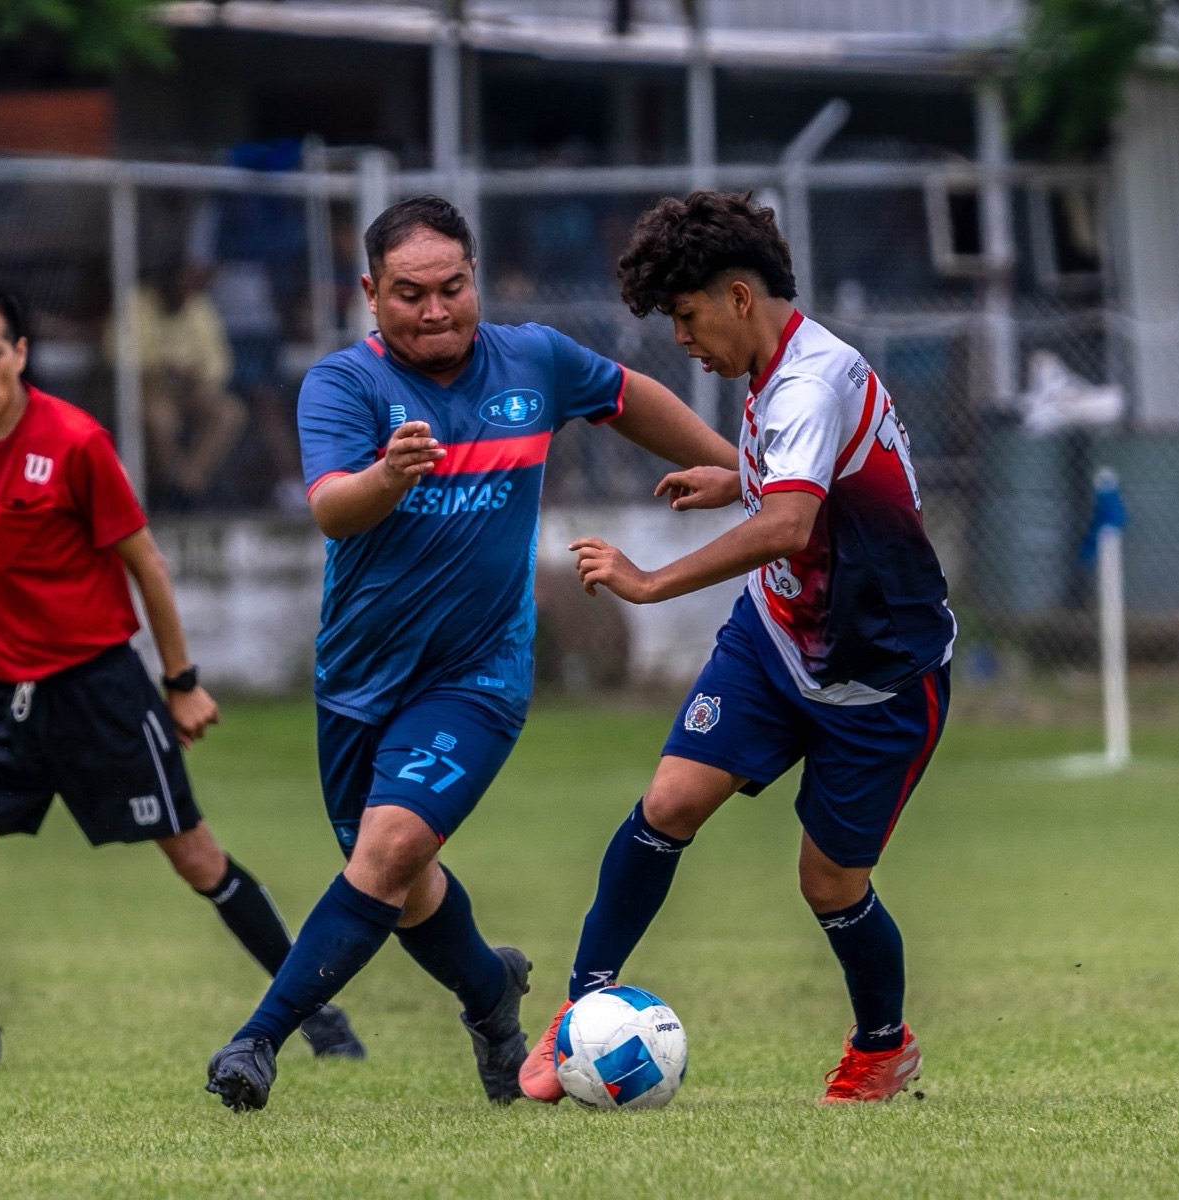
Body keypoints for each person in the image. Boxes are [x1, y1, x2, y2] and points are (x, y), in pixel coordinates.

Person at [202, 195, 736, 1112]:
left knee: (389, 849)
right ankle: (492, 996)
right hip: (359, 681)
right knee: (401, 884)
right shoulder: (342, 385)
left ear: (474, 279)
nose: (435, 310)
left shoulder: (533, 359)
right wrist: (387, 475)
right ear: (371, 293)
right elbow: (332, 509)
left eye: (452, 287)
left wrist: (743, 469)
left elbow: (626, 396)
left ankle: (258, 1041)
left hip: (477, 677)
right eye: (410, 294)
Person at [517, 191, 956, 1106]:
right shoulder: (778, 367)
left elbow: (790, 524)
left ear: (740, 297)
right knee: (670, 800)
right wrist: (738, 477)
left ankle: (883, 1047)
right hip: (776, 637)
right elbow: (803, 491)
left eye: (687, 316)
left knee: (829, 884)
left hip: (879, 675)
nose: (682, 338)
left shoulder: (808, 383)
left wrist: (649, 581)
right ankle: (580, 1009)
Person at [0, 280, 363, 1067]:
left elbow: (148, 565)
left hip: (97, 688)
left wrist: (182, 682)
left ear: (20, 354)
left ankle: (315, 1012)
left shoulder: (74, 442)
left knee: (197, 860)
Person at [129, 264, 247, 504]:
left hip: (191, 390)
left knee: (229, 413)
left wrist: (196, 373)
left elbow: (219, 360)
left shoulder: (197, 304)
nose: (185, 295)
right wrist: (162, 366)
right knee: (163, 420)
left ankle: (189, 482)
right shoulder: (137, 304)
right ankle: (171, 487)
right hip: (150, 389)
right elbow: (119, 354)